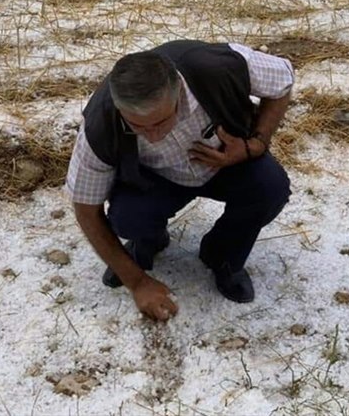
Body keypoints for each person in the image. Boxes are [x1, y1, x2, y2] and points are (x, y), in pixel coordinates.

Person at [66, 40, 293, 321]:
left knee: (271, 188)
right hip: (155, 179)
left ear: (178, 94)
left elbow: (283, 78)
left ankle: (221, 254)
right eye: (136, 126)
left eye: (160, 122)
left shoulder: (215, 66)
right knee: (127, 218)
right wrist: (136, 282)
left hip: (226, 164)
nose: (152, 136)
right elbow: (86, 210)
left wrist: (256, 143)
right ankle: (147, 241)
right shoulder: (100, 122)